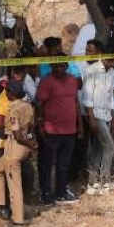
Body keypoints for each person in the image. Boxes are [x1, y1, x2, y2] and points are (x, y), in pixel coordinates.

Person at [36, 58, 83, 204]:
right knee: (47, 164)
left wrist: (80, 125)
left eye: (62, 66)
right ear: (51, 66)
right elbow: (40, 104)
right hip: (51, 130)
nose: (59, 69)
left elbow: (75, 103)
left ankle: (61, 193)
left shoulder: (72, 80)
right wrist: (40, 125)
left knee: (64, 164)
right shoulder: (46, 81)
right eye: (56, 66)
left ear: (67, 66)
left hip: (70, 130)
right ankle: (46, 194)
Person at [0, 80, 36, 226]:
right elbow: (30, 128)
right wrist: (29, 145)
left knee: (14, 185)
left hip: (15, 145)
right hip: (22, 146)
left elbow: (17, 135)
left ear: (11, 93)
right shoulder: (29, 106)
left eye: (7, 91)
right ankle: (0, 204)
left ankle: (18, 219)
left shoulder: (13, 109)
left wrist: (28, 144)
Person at [81, 40, 114, 191]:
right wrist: (91, 119)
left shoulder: (112, 72)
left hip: (106, 114)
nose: (110, 63)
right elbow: (87, 97)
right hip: (95, 115)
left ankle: (93, 182)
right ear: (102, 55)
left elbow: (110, 97)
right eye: (108, 59)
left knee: (99, 148)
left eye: (113, 60)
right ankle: (105, 180)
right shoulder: (92, 71)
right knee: (110, 147)